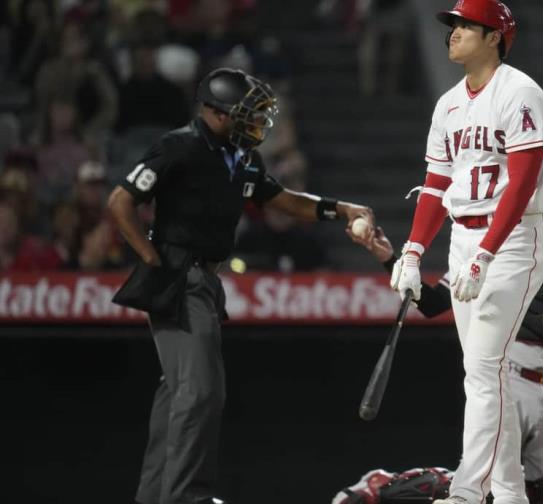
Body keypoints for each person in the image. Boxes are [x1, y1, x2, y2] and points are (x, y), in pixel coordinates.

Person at [106, 67, 375, 504]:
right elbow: (120, 201)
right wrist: (151, 257)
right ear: (214, 113)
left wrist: (341, 209)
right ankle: (186, 496)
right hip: (179, 274)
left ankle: (156, 497)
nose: (256, 122)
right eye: (246, 113)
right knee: (201, 392)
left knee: (177, 393)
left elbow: (284, 201)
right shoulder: (181, 145)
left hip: (206, 281)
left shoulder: (241, 157)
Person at [357, 168, 543, 504]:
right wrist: (391, 259)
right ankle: (386, 487)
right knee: (487, 484)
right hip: (510, 380)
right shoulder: (483, 245)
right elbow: (431, 304)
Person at [387, 1, 543, 502]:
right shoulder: (449, 103)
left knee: (483, 371)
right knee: (487, 373)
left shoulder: (522, 93)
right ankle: (508, 494)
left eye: (465, 25)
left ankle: (465, 492)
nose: (453, 33)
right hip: (464, 238)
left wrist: (485, 253)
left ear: (494, 36)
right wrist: (413, 251)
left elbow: (521, 185)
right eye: (453, 24)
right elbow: (437, 184)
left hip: (512, 241)